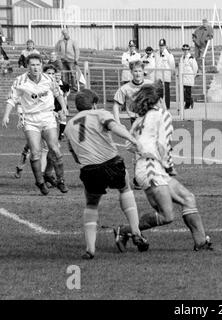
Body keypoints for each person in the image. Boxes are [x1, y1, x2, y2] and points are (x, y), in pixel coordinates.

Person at [113, 84, 213, 252]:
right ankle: (123, 231)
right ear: (160, 99)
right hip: (152, 168)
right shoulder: (162, 115)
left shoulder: (138, 121)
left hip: (147, 167)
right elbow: (163, 145)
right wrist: (169, 165)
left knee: (188, 198)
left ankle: (201, 243)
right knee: (166, 215)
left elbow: (129, 145)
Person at [65, 88, 149, 259]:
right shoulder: (99, 114)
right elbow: (114, 126)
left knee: (91, 204)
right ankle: (136, 232)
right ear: (94, 104)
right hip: (111, 163)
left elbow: (74, 155)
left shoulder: (69, 126)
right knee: (125, 189)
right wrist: (133, 140)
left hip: (89, 169)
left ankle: (90, 249)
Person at [2, 53, 68, 195]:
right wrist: (6, 115)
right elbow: (11, 99)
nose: (36, 67)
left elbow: (58, 93)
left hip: (48, 117)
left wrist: (64, 107)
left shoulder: (49, 78)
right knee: (36, 152)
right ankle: (40, 182)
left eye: (38, 65)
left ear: (42, 66)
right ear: (27, 66)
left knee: (55, 149)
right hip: (31, 120)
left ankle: (60, 180)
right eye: (32, 65)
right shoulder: (20, 81)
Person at [155, 38, 175, 109]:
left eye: (162, 45)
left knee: (166, 93)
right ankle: (160, 106)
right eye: (160, 45)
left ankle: (167, 106)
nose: (161, 47)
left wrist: (172, 74)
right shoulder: (156, 53)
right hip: (158, 76)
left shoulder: (169, 54)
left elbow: (172, 65)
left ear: (165, 46)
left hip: (166, 76)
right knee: (159, 92)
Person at [179, 44, 198, 109]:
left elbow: (195, 68)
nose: (185, 51)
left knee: (187, 92)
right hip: (183, 78)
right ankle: (190, 101)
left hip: (189, 77)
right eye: (184, 50)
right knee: (184, 92)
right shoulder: (182, 57)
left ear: (188, 50)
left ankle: (187, 104)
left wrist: (193, 76)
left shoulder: (191, 58)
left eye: (186, 50)